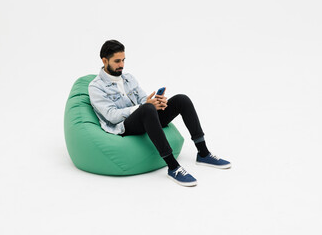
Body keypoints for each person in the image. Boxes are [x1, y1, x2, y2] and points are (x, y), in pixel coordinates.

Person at [89, 40, 231, 187]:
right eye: (117, 61)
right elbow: (111, 116)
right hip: (124, 126)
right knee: (147, 109)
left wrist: (157, 103)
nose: (122, 65)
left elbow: (143, 99)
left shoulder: (128, 78)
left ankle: (203, 153)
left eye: (123, 60)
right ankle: (173, 167)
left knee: (182, 100)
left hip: (146, 115)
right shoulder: (96, 87)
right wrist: (144, 106)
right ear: (105, 60)